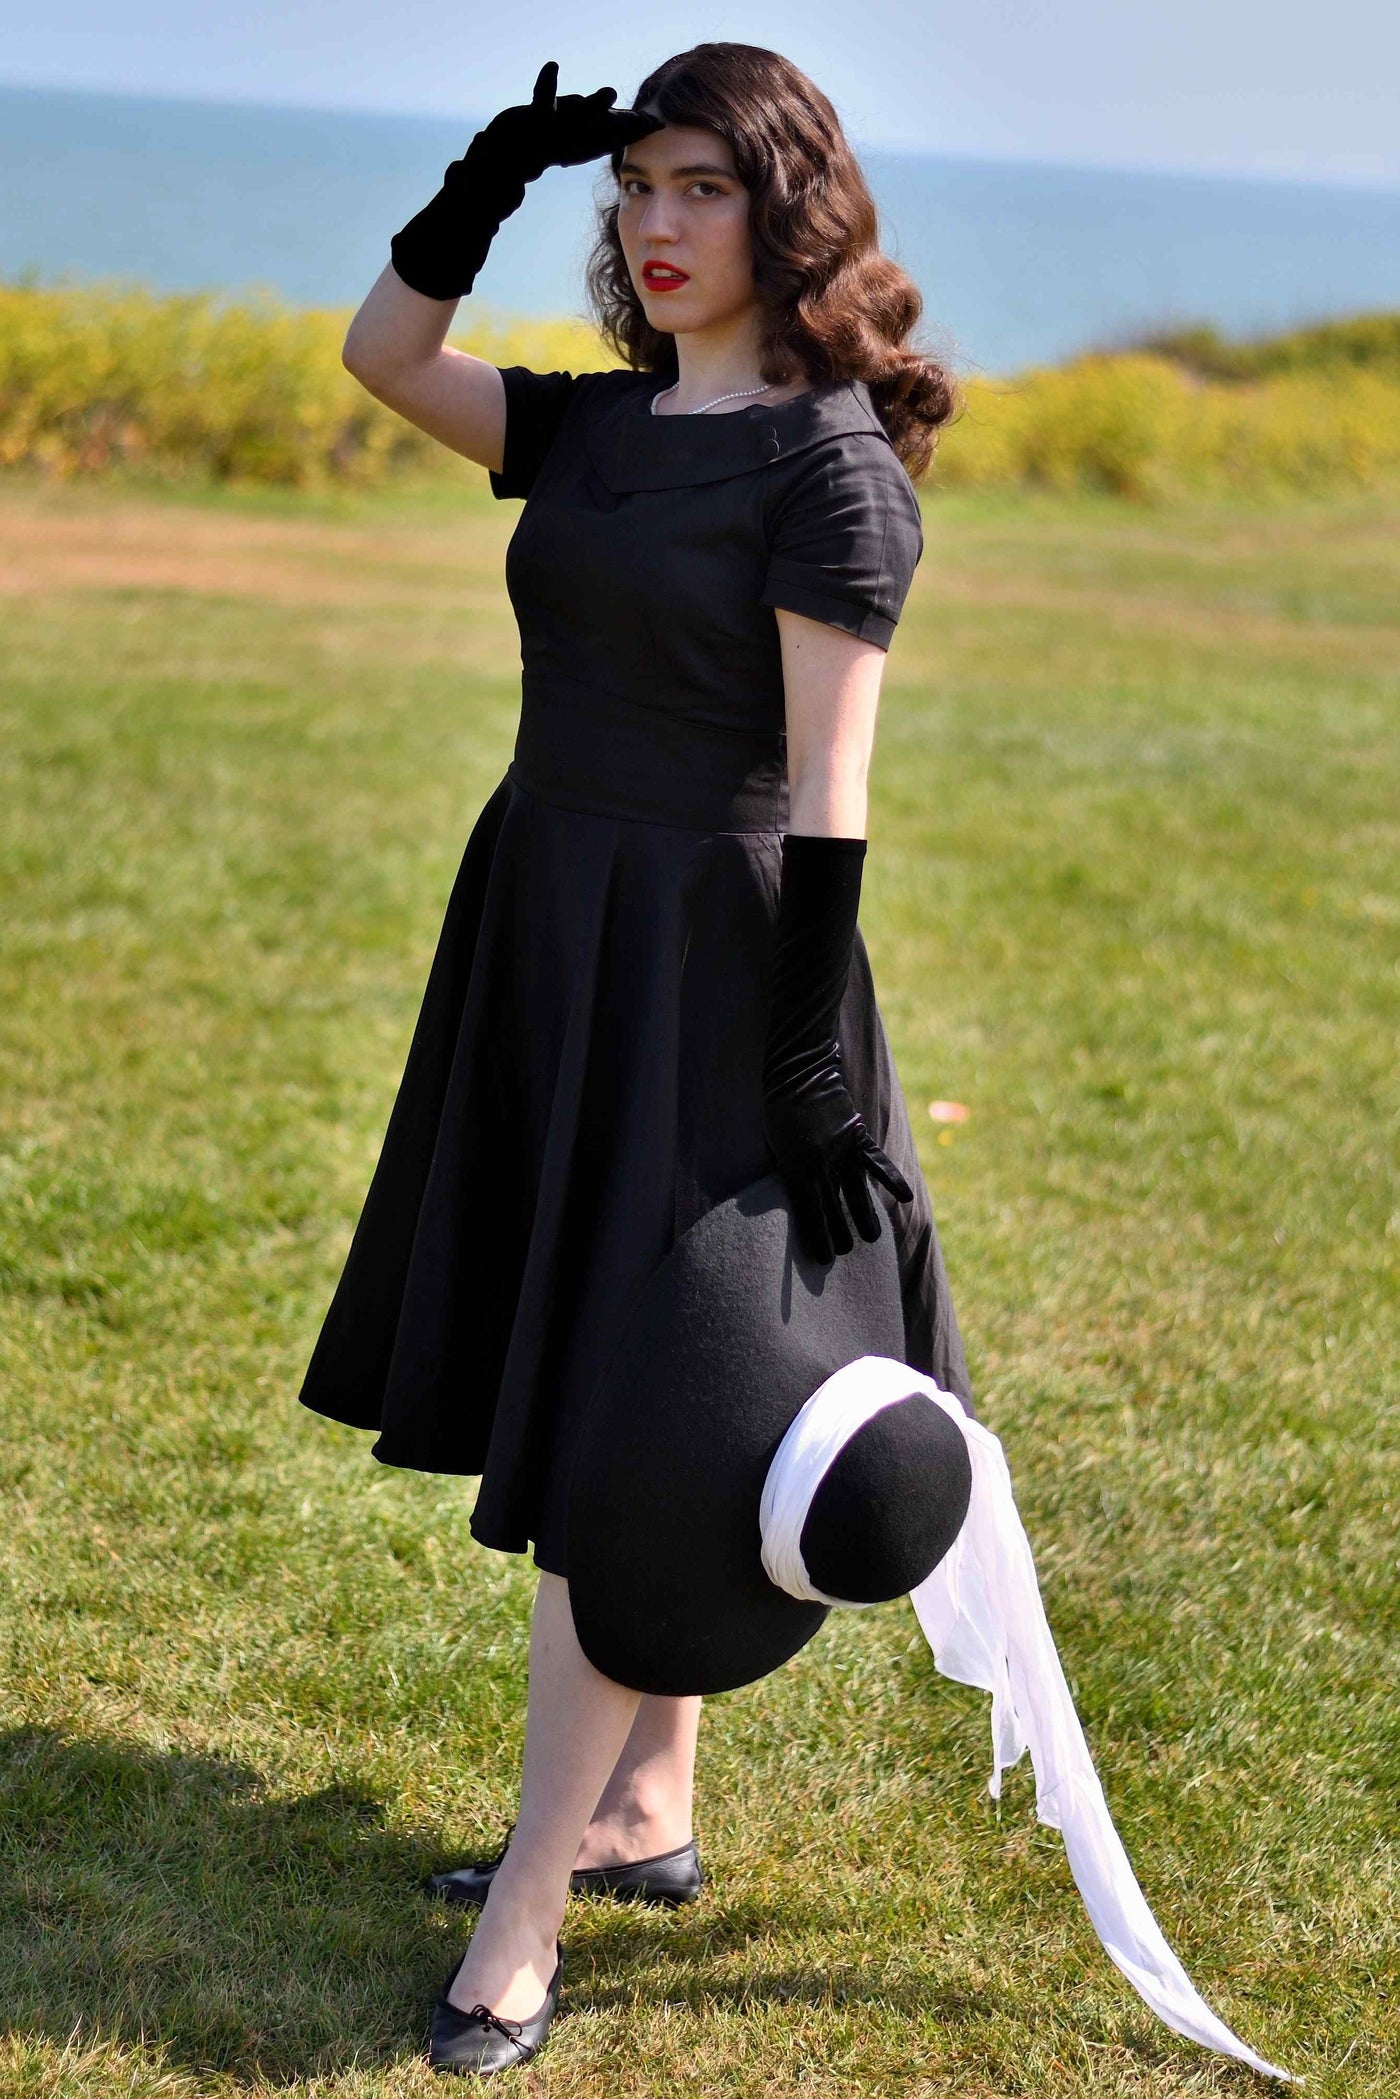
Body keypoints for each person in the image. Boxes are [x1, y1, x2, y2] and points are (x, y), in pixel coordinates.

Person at [299, 42, 974, 2076]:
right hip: (548, 926)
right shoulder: (595, 435)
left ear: (786, 213)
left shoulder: (826, 466)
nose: (656, 226)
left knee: (638, 1411)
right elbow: (383, 356)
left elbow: (831, 793)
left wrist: (807, 1069)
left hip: (721, 967)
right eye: (637, 190)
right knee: (595, 1354)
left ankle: (530, 1901)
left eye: (700, 189)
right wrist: (487, 175)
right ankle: (643, 1809)